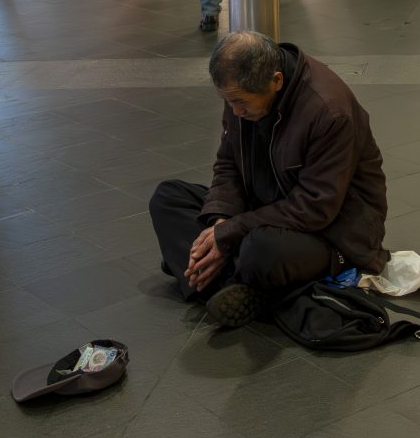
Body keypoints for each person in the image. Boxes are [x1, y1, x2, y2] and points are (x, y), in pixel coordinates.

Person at [147, 32, 388, 326]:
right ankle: (236, 284)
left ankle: (206, 273)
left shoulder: (328, 111)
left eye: (241, 103)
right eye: (228, 101)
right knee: (168, 197)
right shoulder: (240, 91)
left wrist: (232, 233)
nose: (235, 111)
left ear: (276, 81)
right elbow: (227, 165)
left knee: (260, 250)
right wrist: (221, 222)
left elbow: (315, 208)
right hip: (265, 208)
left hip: (333, 232)